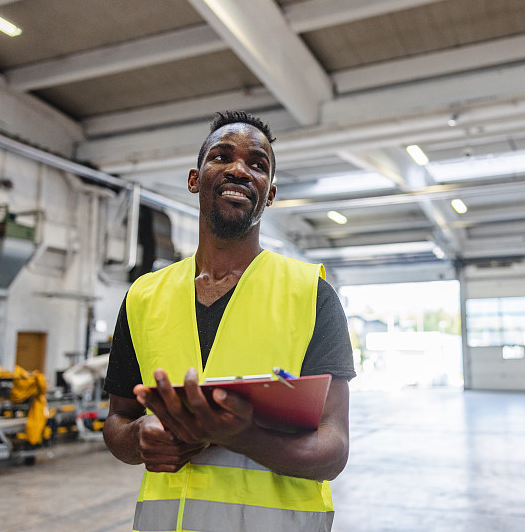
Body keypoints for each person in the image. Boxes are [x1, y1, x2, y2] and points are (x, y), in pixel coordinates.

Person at [102, 111, 356, 532]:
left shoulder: (310, 293)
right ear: (194, 179)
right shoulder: (144, 296)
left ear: (269, 194)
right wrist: (139, 437)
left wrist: (240, 436)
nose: (239, 170)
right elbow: (117, 422)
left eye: (257, 164)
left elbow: (334, 450)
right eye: (221, 157)